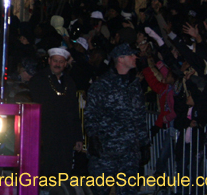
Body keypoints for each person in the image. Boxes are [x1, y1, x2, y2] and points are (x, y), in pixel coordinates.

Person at [85, 43, 149, 195]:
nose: (135, 57)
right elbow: (91, 113)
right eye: (131, 55)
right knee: (100, 190)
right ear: (120, 59)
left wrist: (144, 144)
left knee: (129, 190)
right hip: (106, 149)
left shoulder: (134, 85)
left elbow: (140, 116)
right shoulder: (102, 85)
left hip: (129, 152)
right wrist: (92, 137)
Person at [29, 47, 83, 178]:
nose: (57, 64)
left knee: (64, 171)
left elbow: (74, 110)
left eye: (61, 62)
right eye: (55, 61)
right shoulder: (39, 79)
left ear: (65, 64)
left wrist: (78, 137)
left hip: (65, 135)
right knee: (45, 170)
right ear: (49, 61)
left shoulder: (69, 82)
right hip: (45, 133)